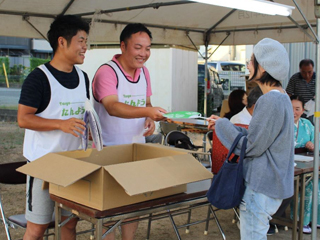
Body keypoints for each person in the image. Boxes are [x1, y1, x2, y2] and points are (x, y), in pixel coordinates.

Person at [208, 38, 294, 240]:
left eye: (252, 60)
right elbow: (258, 138)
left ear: (263, 67)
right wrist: (224, 124)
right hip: (270, 186)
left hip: (260, 187)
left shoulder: (269, 100)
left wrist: (222, 125)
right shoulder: (282, 98)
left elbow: (252, 146)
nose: (248, 63)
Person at [17, 15, 90, 240]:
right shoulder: (39, 78)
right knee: (37, 228)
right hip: (43, 165)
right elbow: (24, 119)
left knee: (69, 224)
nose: (85, 47)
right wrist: (61, 124)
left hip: (73, 163)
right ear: (62, 42)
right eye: (81, 41)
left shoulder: (83, 77)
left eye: (86, 41)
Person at [92, 23, 166, 240]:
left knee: (133, 203)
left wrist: (148, 117)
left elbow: (146, 101)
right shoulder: (107, 72)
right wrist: (147, 110)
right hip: (109, 150)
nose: (144, 54)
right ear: (123, 46)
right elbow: (112, 107)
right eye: (138, 47)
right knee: (111, 208)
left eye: (148, 48)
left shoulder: (144, 72)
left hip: (136, 150)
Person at [290, 95, 320, 233]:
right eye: (291, 108)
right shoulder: (282, 124)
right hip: (288, 165)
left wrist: (313, 145)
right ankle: (301, 220)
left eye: (297, 109)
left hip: (306, 162)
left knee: (316, 180)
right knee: (309, 183)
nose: (294, 112)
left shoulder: (307, 125)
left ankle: (316, 219)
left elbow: (317, 143)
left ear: (303, 110)